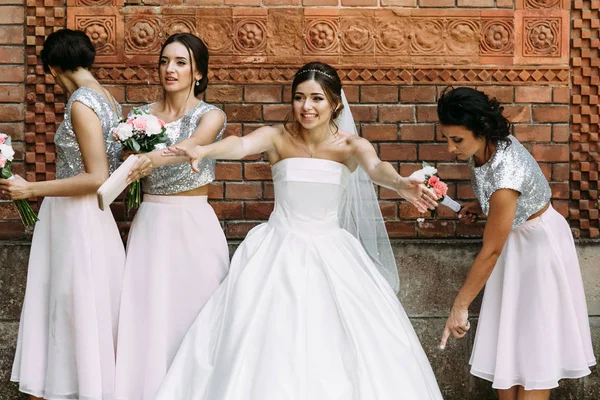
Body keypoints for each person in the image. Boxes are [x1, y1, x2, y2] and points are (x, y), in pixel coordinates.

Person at [153, 61, 444, 399]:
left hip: (332, 250)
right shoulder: (277, 137)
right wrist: (203, 149)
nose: (307, 107)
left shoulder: (352, 145)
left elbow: (377, 168)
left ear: (335, 103)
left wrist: (400, 184)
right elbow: (240, 145)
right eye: (299, 98)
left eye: (317, 98)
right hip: (277, 248)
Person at [437, 87, 595, 400]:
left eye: (457, 140)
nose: (450, 148)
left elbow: (491, 249)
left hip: (539, 249)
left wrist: (460, 305)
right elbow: (498, 198)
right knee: (510, 347)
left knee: (535, 347)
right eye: (447, 138)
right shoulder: (484, 148)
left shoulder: (505, 175)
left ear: (481, 131)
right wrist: (479, 204)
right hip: (515, 243)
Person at [1, 28, 125, 400]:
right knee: (83, 302)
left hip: (76, 217)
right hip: (92, 217)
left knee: (70, 303)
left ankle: (71, 388)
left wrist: (31, 189)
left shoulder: (81, 103)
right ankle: (81, 383)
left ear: (54, 68)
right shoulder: (110, 100)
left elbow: (96, 175)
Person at [113, 33, 229, 400]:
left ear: (198, 72)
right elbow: (120, 161)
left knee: (197, 308)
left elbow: (193, 147)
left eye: (180, 62)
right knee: (149, 309)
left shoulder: (210, 115)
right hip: (152, 220)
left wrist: (148, 158)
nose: (170, 69)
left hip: (194, 222)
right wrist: (131, 155)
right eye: (164, 61)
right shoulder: (141, 116)